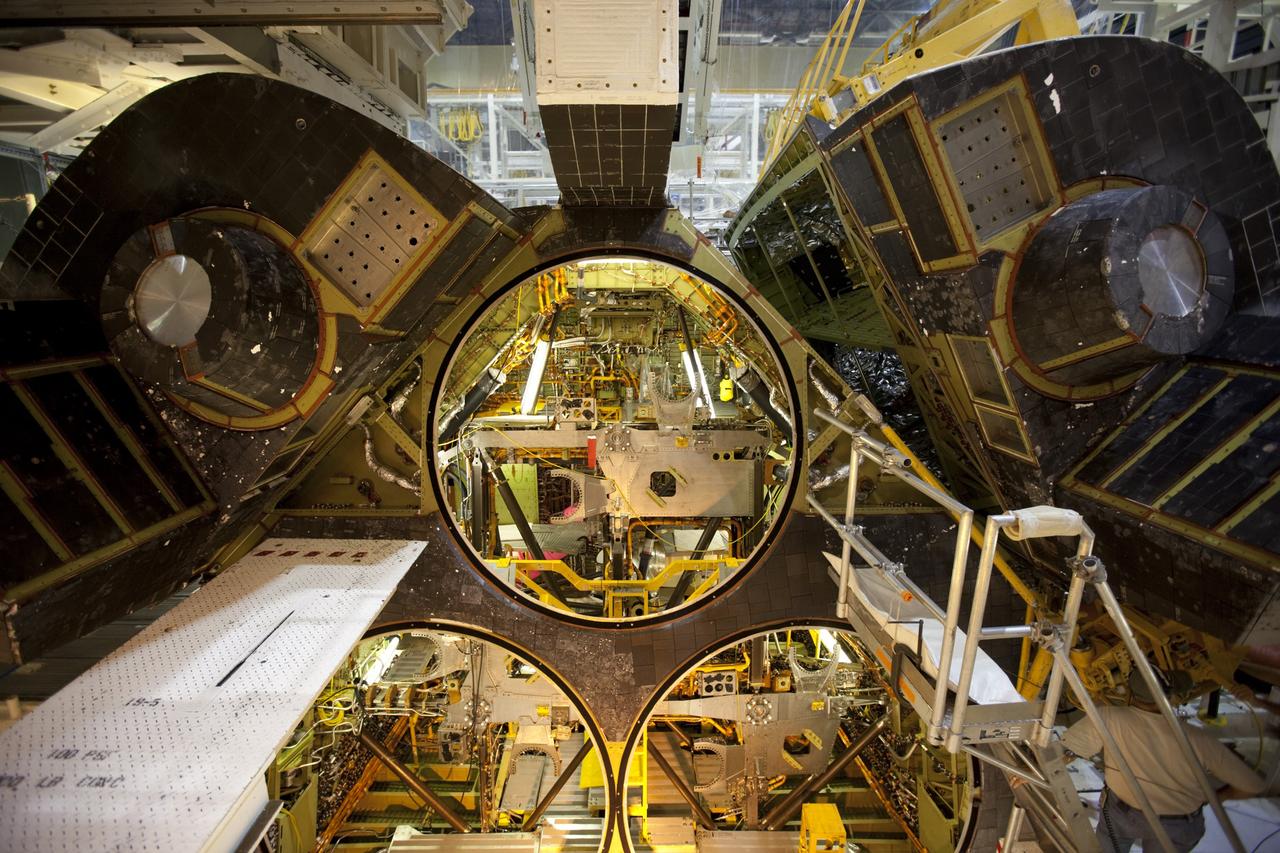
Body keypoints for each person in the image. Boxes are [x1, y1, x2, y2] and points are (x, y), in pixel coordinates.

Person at [1061, 668, 1266, 852]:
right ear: (1172, 696)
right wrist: (1218, 797)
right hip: (1177, 826)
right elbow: (1253, 785)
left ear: (1130, 693)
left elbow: (1064, 753)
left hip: (1122, 814)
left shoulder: (1109, 718)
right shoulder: (1198, 739)